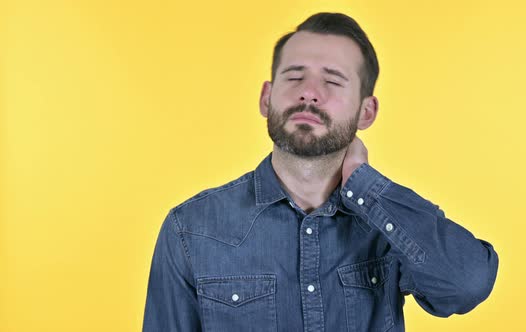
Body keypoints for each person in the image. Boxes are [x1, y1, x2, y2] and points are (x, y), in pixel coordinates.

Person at [142, 12, 499, 332]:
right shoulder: (190, 228)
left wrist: (367, 186)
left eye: (333, 81)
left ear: (366, 112)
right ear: (267, 98)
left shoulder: (389, 226)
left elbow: (465, 284)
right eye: (295, 77)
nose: (309, 93)